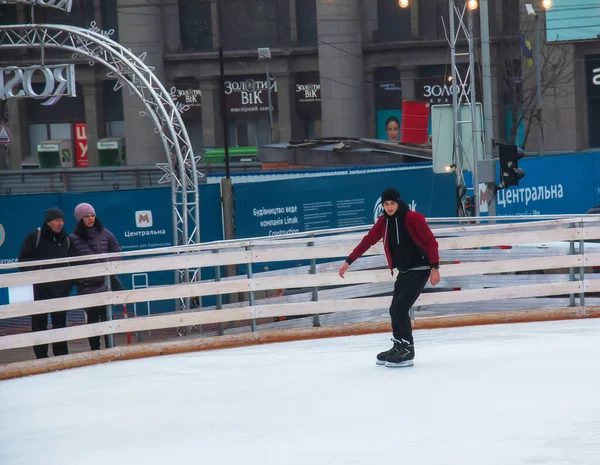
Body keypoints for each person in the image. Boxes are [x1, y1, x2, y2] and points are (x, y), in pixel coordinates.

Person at [338, 188, 440, 368]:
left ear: (398, 202)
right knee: (394, 309)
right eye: (386, 204)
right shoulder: (384, 222)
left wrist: (435, 267)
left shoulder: (412, 218)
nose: (389, 207)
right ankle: (398, 344)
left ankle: (408, 349)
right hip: (404, 271)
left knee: (401, 308)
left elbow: (431, 242)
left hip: (420, 268)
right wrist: (349, 261)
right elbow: (368, 241)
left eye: (392, 203)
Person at [18, 207, 75, 359]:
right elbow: (22, 262)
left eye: (62, 220)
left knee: (60, 323)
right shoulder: (34, 237)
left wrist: (67, 285)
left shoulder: (66, 239)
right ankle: (41, 356)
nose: (60, 223)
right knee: (39, 323)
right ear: (49, 222)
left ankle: (61, 355)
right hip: (40, 290)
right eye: (57, 220)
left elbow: (75, 265)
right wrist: (41, 272)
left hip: (60, 291)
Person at [69, 203, 122, 351]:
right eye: (86, 216)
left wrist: (108, 269)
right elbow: (70, 263)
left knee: (107, 318)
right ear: (80, 219)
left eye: (92, 215)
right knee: (92, 321)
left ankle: (111, 347)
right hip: (86, 286)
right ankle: (95, 350)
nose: (90, 219)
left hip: (104, 284)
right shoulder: (73, 238)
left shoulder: (105, 233)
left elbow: (117, 253)